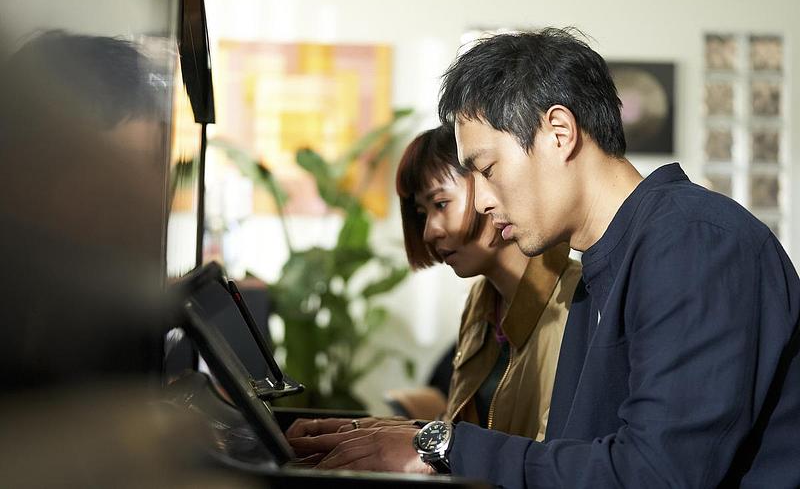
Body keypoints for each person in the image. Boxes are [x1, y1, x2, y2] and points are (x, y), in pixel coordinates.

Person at [288, 28, 800, 488]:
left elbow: (656, 473)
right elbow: (569, 460)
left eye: (488, 169)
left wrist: (443, 448)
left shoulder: (693, 240)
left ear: (559, 132)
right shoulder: (601, 268)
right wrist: (408, 439)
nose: (482, 202)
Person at [287, 125, 582, 454]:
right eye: (422, 213)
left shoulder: (575, 302)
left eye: (441, 204)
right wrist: (356, 431)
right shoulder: (482, 302)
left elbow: (553, 458)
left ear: (490, 183)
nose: (428, 232)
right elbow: (464, 430)